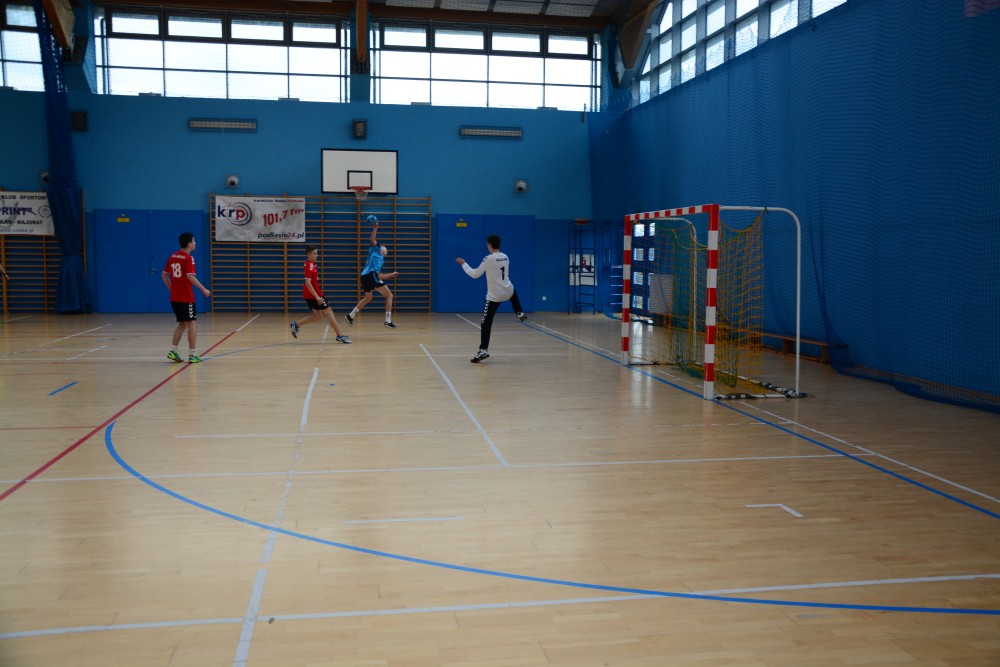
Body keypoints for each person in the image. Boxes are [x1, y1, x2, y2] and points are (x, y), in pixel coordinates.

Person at [456, 234, 527, 363]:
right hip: (508, 291)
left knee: (486, 323)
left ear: (489, 244)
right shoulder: (505, 256)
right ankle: (519, 312)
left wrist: (463, 264)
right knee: (511, 290)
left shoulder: (489, 258)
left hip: (495, 296)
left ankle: (483, 350)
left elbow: (475, 274)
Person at [162, 232, 211, 363]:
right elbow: (190, 275)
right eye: (194, 241)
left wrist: (172, 289)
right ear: (189, 244)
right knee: (192, 323)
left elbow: (164, 275)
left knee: (182, 324)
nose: (195, 243)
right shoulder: (188, 258)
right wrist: (203, 289)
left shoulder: (172, 256)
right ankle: (192, 355)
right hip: (185, 297)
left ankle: (173, 351)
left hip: (175, 298)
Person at [289, 245, 351, 343]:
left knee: (318, 316)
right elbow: (308, 283)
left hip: (310, 295)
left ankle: (296, 324)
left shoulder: (312, 264)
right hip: (314, 295)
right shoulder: (309, 265)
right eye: (314, 253)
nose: (317, 255)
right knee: (329, 312)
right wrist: (317, 297)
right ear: (308, 254)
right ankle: (340, 336)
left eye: (317, 253)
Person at [346, 215, 399, 328]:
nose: (385, 249)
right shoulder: (377, 249)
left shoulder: (380, 261)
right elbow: (372, 240)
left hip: (365, 276)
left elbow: (379, 276)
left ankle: (351, 315)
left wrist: (391, 275)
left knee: (368, 297)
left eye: (386, 250)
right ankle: (388, 321)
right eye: (385, 248)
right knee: (389, 295)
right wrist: (375, 228)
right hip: (370, 275)